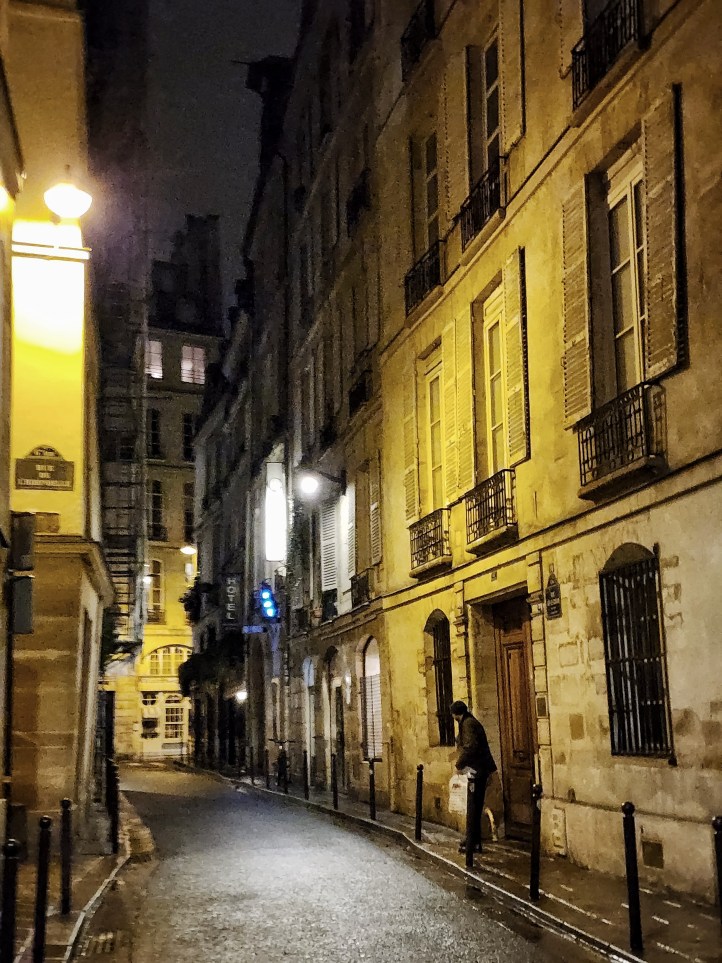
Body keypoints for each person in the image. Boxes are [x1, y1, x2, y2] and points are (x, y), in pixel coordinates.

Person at [451, 700, 497, 854]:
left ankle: (472, 841)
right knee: (474, 805)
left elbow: (470, 747)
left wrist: (459, 764)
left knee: (474, 806)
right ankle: (472, 839)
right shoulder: (468, 722)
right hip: (478, 770)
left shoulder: (468, 724)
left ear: (456, 714)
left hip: (478, 771)